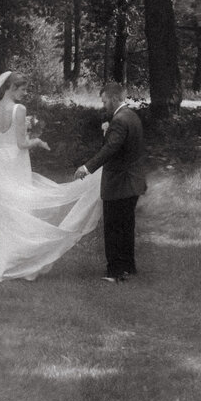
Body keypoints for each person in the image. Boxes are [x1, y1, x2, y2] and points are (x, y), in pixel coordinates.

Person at [0, 70, 101, 281]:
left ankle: (8, 265)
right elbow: (21, 144)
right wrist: (36, 141)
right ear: (11, 88)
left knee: (8, 211)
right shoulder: (18, 109)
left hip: (1, 160)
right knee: (23, 207)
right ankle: (27, 265)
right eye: (23, 88)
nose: (25, 93)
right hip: (16, 161)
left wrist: (10, 139)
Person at [75, 82, 147, 282]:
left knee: (114, 227)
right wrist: (107, 133)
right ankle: (128, 266)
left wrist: (87, 167)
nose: (103, 104)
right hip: (133, 181)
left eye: (105, 100)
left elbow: (111, 149)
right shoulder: (131, 116)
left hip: (120, 183)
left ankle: (115, 272)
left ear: (114, 98)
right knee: (126, 226)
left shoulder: (119, 120)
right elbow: (122, 147)